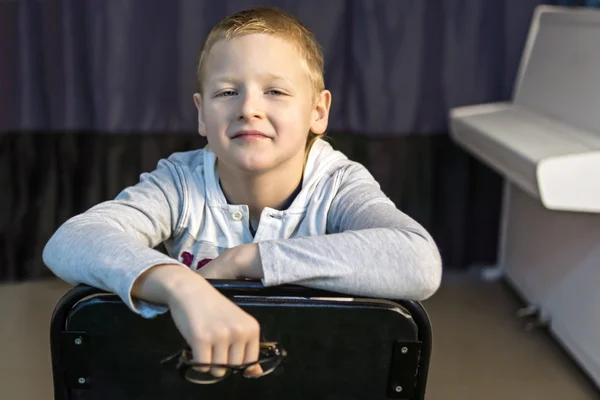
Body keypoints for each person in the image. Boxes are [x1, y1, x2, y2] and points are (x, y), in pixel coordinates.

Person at [43, 6, 442, 380]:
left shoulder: (337, 184)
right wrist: (183, 285)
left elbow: (418, 261)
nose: (249, 108)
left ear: (317, 112)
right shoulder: (180, 184)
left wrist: (246, 260)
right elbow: (71, 240)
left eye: (276, 92)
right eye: (227, 92)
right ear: (201, 114)